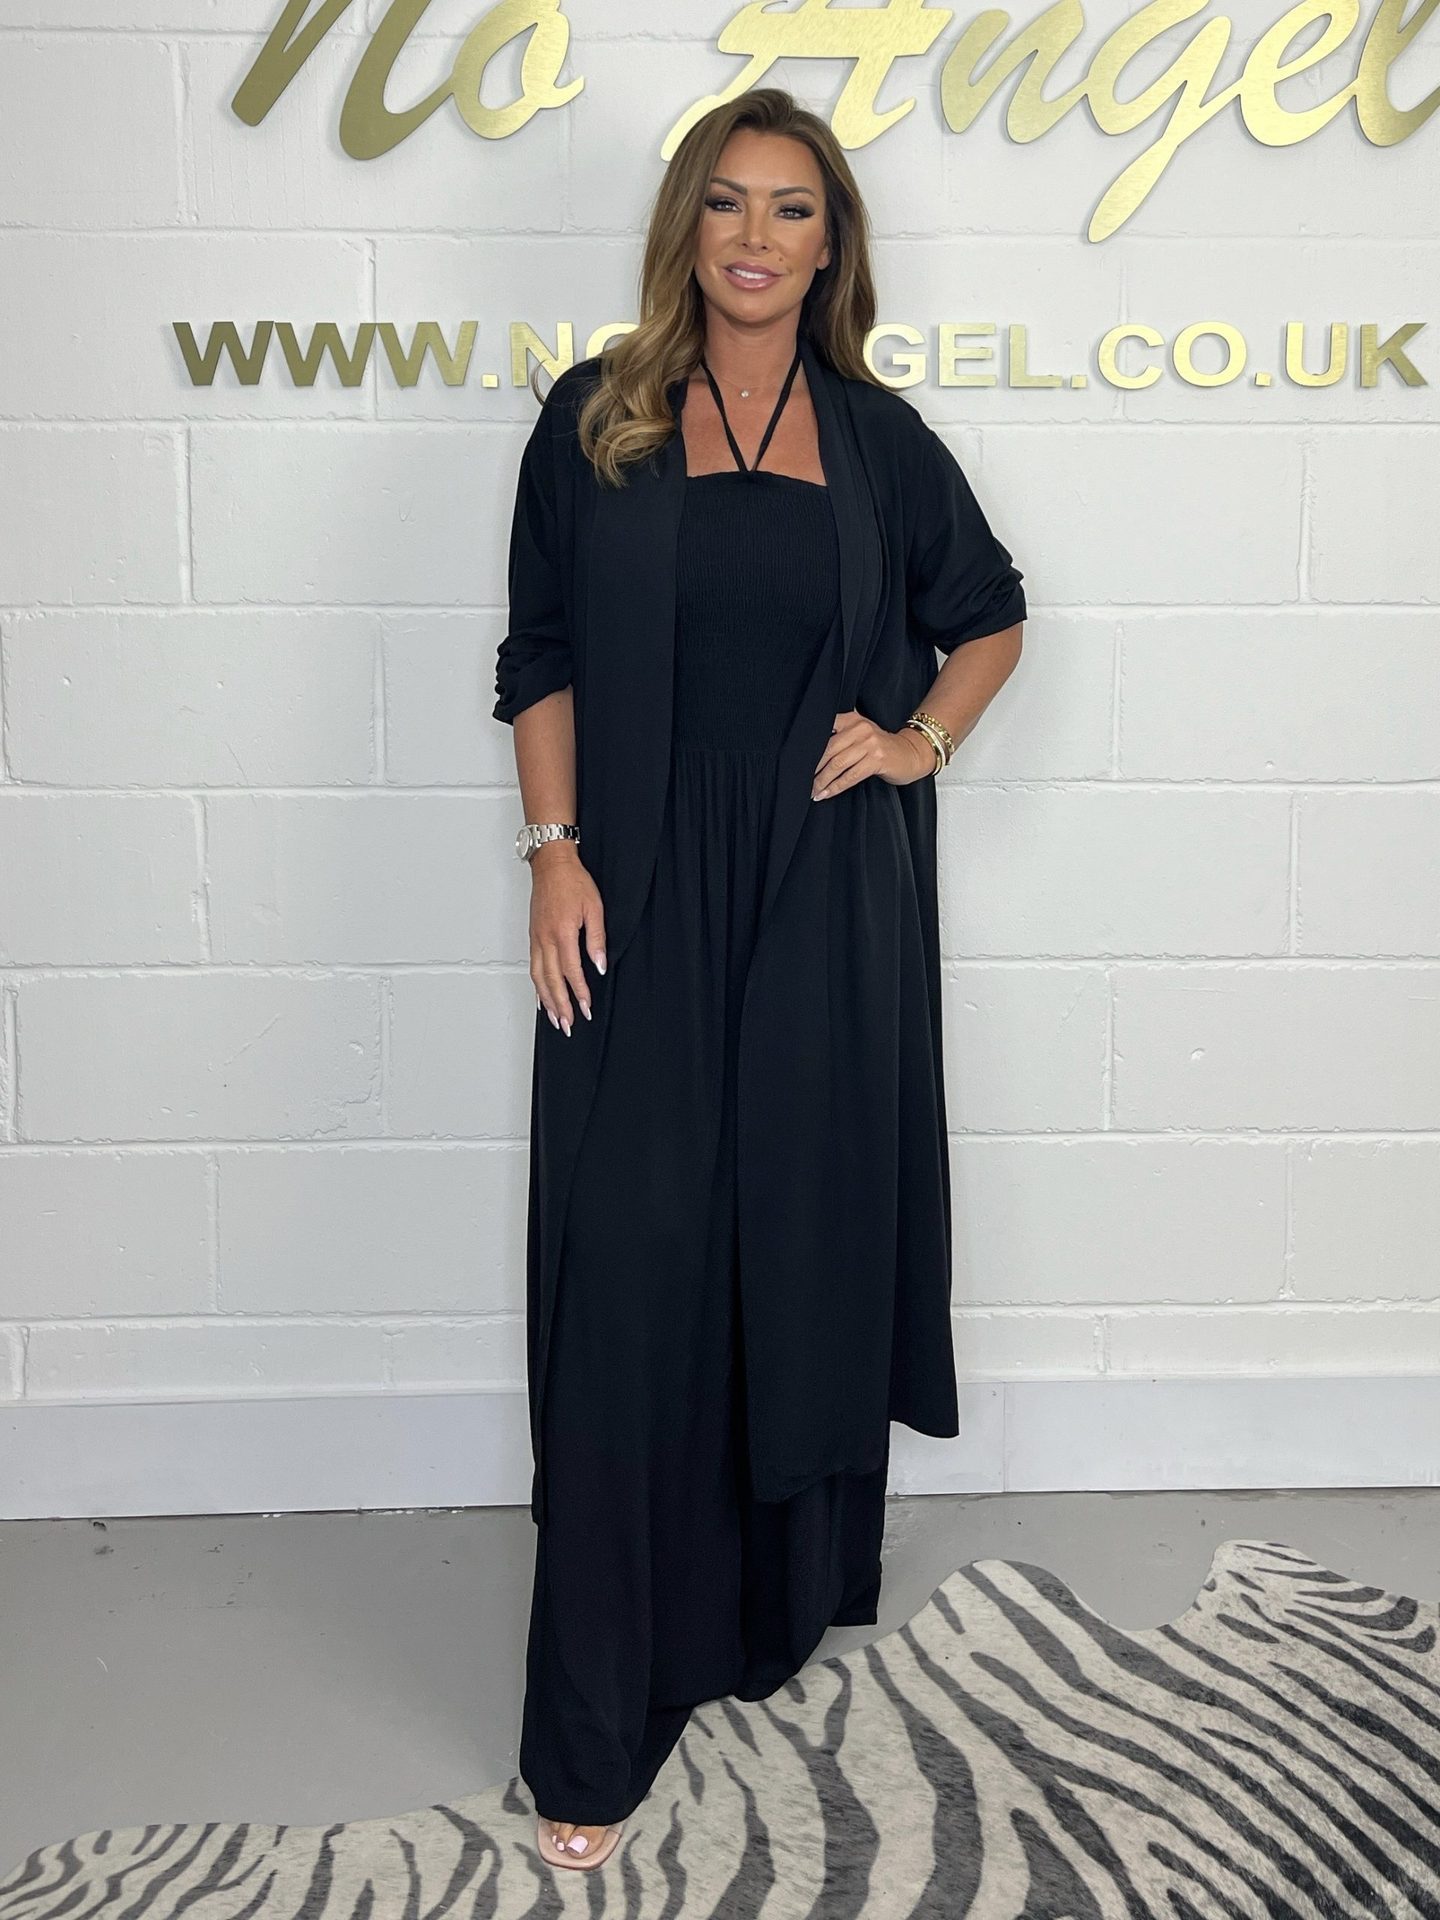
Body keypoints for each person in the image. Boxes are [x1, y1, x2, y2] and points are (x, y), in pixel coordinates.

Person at [492, 86, 1026, 1872]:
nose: (754, 237)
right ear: (686, 227)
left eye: (792, 208)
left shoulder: (876, 438)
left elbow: (992, 607)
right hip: (637, 895)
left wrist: (919, 740)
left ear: (830, 243)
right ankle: (595, 1718)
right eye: (726, 202)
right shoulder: (596, 418)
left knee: (791, 1242)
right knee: (629, 1270)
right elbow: (540, 653)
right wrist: (553, 853)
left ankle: (763, 1610)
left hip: (822, 902)